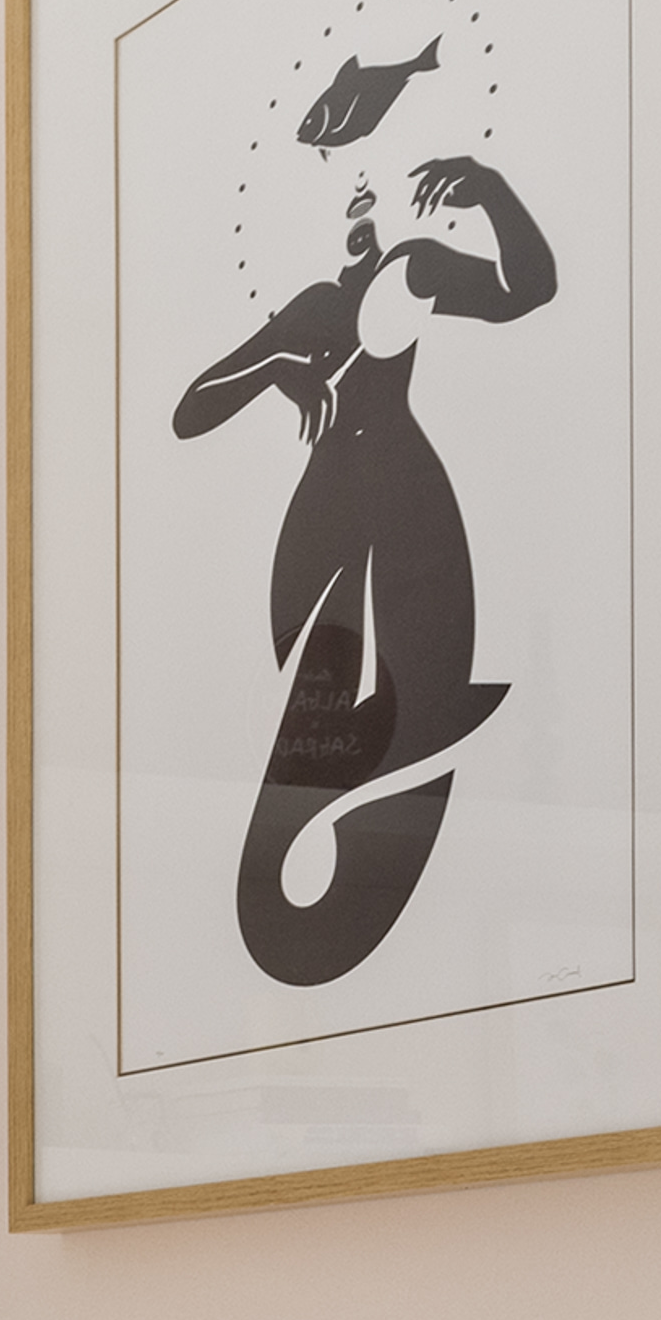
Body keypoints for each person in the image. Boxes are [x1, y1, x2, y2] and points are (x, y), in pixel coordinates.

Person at [164, 147, 558, 989]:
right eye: (342, 179)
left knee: (414, 686)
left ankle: (392, 798)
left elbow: (529, 291)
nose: (357, 191)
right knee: (311, 691)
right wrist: (275, 367)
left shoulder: (411, 274)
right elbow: (192, 411)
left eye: (371, 182)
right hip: (324, 518)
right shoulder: (311, 309)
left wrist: (492, 192)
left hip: (403, 504)